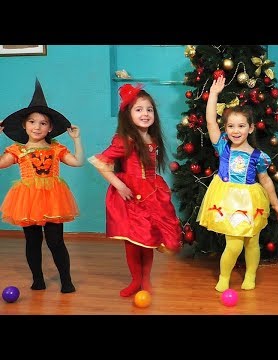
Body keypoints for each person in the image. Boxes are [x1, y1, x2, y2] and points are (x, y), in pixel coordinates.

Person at [89, 83, 182, 297]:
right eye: (138, 109)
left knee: (148, 240)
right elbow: (102, 162)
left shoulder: (153, 139)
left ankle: (146, 280)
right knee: (132, 242)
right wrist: (119, 184)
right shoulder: (125, 139)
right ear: (128, 114)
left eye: (149, 109)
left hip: (152, 193)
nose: (145, 113)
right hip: (131, 196)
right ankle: (136, 280)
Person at [197, 76, 278, 292]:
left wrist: (274, 204)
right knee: (234, 243)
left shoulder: (258, 156)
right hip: (227, 200)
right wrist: (214, 95)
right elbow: (210, 122)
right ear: (225, 128)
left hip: (250, 201)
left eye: (241, 126)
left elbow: (266, 181)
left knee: (252, 242)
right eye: (231, 126)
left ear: (251, 128)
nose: (236, 130)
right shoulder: (223, 148)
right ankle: (224, 276)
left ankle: (250, 274)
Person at [0, 78, 84, 293]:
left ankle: (66, 280)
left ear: (50, 128)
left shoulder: (56, 148)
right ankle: (38, 279)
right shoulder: (17, 151)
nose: (37, 127)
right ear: (24, 125)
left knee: (56, 241)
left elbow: (78, 162)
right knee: (33, 242)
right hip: (27, 200)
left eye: (43, 123)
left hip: (53, 199)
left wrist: (76, 140)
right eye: (32, 122)